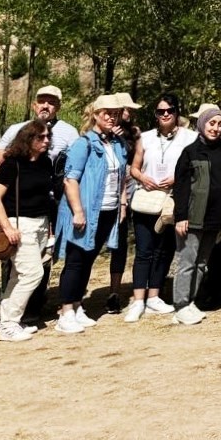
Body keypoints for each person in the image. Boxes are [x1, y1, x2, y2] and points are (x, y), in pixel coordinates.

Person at [53, 95, 129, 333]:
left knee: (88, 259)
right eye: (106, 112)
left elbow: (121, 176)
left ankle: (77, 306)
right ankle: (65, 312)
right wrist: (78, 211)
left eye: (115, 113)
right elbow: (70, 179)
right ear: (95, 114)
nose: (111, 116)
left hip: (107, 211)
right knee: (75, 261)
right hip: (84, 211)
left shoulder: (116, 143)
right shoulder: (83, 143)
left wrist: (123, 204)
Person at [124, 94, 195, 322]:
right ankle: (137, 300)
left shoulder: (189, 138)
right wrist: (143, 178)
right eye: (160, 111)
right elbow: (134, 167)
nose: (165, 114)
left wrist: (177, 178)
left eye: (169, 110)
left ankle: (154, 296)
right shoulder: (144, 138)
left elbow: (194, 168)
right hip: (146, 199)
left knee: (163, 250)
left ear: (177, 112)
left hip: (171, 201)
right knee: (144, 250)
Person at [0, 121, 56, 341]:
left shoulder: (46, 162)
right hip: (19, 224)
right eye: (41, 137)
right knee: (33, 274)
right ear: (28, 139)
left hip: (40, 224)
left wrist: (49, 229)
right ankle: (9, 325)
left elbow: (47, 197)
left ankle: (8, 321)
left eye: (48, 136)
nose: (46, 141)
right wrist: (7, 227)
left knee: (19, 275)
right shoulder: (12, 164)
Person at [171, 105, 221, 325]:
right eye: (211, 123)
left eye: (219, 124)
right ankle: (180, 304)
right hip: (194, 216)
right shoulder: (190, 152)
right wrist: (181, 216)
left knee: (202, 262)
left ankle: (191, 301)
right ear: (202, 124)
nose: (215, 128)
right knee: (188, 261)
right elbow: (181, 187)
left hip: (216, 217)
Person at [103, 94, 140, 313]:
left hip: (130, 186)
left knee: (121, 240)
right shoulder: (101, 131)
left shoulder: (134, 133)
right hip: (107, 189)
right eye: (126, 109)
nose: (129, 113)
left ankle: (114, 292)